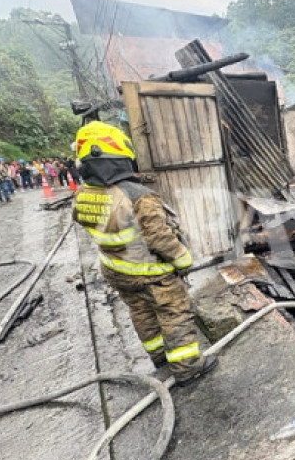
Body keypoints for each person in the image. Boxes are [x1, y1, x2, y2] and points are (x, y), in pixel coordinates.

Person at [72, 121, 217, 384]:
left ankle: (160, 357)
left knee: (141, 313)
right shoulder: (138, 196)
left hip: (116, 270)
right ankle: (187, 367)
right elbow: (159, 237)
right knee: (173, 313)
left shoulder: (85, 194)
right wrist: (183, 259)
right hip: (151, 273)